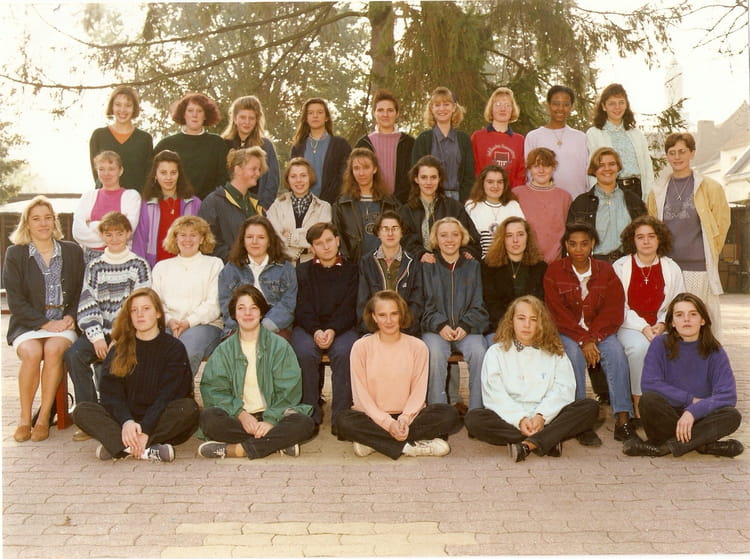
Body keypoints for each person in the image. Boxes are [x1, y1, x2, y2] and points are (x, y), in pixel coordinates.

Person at [464, 296, 599, 461]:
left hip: (548, 417)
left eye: (533, 320)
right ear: (511, 321)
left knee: (589, 407)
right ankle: (548, 439)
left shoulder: (555, 351)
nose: (526, 325)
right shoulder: (496, 352)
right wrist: (520, 419)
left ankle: (528, 444)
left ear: (541, 323)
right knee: (474, 419)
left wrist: (541, 416)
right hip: (510, 419)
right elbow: (495, 394)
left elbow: (564, 389)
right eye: (521, 318)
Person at [71, 288, 199, 462]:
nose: (140, 314)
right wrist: (127, 422)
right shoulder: (119, 348)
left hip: (160, 418)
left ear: (158, 313)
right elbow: (111, 394)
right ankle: (147, 450)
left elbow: (169, 395)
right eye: (134, 310)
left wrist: (145, 429)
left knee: (189, 409)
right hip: (125, 419)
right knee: (82, 410)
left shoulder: (174, 348)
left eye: (146, 308)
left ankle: (120, 446)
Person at [333, 291, 462, 459]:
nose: (389, 320)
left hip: (409, 417)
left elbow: (418, 392)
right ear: (374, 317)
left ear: (401, 315)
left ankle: (374, 442)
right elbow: (361, 397)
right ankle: (410, 447)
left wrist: (404, 419)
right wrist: (388, 423)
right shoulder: (361, 347)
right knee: (342, 421)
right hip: (372, 417)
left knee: (449, 414)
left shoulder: (418, 347)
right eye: (382, 315)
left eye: (394, 314)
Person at [543, 222, 636, 446]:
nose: (578, 249)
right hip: (568, 332)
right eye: (573, 244)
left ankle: (623, 419)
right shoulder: (554, 271)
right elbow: (557, 313)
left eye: (584, 244)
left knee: (616, 354)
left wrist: (593, 337)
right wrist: (583, 339)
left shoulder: (605, 270)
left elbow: (613, 309)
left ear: (592, 244)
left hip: (599, 332)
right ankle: (580, 422)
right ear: (566, 245)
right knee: (573, 356)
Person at [198, 285, 316, 459]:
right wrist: (241, 414)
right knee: (209, 418)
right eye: (241, 308)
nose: (247, 313)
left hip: (275, 416)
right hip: (238, 418)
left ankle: (237, 449)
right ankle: (276, 443)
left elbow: (289, 392)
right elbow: (213, 390)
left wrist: (270, 420)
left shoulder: (279, 346)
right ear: (234, 314)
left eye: (253, 308)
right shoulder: (224, 350)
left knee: (304, 423)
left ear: (261, 313)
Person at [3, 196, 84, 443]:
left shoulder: (72, 251)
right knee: (31, 353)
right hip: (28, 324)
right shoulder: (15, 253)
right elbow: (15, 301)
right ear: (27, 223)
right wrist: (45, 324)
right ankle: (24, 419)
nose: (43, 223)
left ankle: (44, 417)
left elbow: (82, 290)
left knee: (53, 349)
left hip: (65, 322)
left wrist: (70, 316)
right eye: (36, 219)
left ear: (54, 221)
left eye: (48, 218)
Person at [64, 212, 151, 440]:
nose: (114, 239)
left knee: (119, 362)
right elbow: (87, 303)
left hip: (129, 333)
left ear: (128, 234)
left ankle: (119, 414)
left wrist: (120, 337)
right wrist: (96, 337)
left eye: (119, 233)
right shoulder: (95, 266)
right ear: (102, 236)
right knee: (74, 355)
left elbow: (140, 306)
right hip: (99, 332)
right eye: (109, 234)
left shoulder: (139, 265)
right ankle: (90, 415)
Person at [624, 293, 743, 458]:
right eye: (679, 315)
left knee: (732, 415)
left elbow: (727, 395)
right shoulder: (660, 344)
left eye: (693, 314)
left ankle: (664, 448)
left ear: (703, 320)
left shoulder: (714, 351)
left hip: (700, 416)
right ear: (672, 322)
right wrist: (690, 400)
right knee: (648, 400)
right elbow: (650, 383)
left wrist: (693, 411)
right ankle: (703, 444)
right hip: (667, 415)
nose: (686, 319)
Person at [647, 132, 730, 334]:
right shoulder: (657, 190)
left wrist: (707, 255)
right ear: (666, 156)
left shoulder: (710, 187)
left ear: (692, 153)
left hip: (697, 268)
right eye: (672, 152)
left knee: (697, 322)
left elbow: (721, 225)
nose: (677, 157)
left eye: (682, 151)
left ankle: (705, 356)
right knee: (670, 322)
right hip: (668, 266)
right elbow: (652, 227)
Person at [613, 215, 685, 420]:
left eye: (651, 236)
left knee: (674, 348)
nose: (646, 241)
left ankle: (671, 404)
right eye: (640, 237)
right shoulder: (621, 267)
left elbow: (678, 303)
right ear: (632, 240)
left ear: (659, 239)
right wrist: (643, 327)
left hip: (662, 325)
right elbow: (617, 306)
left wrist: (662, 324)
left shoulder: (671, 267)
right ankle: (639, 403)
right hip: (628, 325)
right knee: (639, 348)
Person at [291, 222, 359, 429]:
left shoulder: (352, 270)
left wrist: (332, 329)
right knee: (304, 352)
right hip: (309, 327)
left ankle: (341, 417)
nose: (326, 246)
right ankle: (309, 414)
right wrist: (316, 330)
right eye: (319, 243)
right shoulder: (302, 271)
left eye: (329, 240)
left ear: (337, 241)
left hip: (342, 327)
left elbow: (350, 306)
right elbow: (302, 306)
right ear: (312, 248)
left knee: (345, 351)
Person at [421, 217, 489, 412]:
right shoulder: (427, 266)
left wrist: (466, 325)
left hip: (466, 329)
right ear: (436, 239)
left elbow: (479, 304)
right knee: (434, 353)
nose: (449, 240)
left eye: (455, 235)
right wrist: (439, 325)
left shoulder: (472, 266)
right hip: (436, 330)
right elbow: (424, 304)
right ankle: (438, 412)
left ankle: (476, 412)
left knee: (479, 351)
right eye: (443, 235)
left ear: (462, 238)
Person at [151, 216, 223, 376]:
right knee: (153, 351)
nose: (187, 240)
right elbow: (156, 304)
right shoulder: (161, 267)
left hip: (204, 325)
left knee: (185, 352)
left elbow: (214, 304)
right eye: (182, 235)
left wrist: (188, 323)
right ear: (175, 238)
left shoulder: (214, 264)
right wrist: (170, 321)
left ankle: (180, 392)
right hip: (168, 325)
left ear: (202, 238)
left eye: (193, 235)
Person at [218, 216, 297, 338]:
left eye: (261, 237)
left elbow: (288, 305)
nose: (254, 242)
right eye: (249, 237)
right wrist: (246, 327)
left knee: (275, 346)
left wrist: (263, 328)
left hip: (275, 326)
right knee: (237, 347)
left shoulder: (285, 268)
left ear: (269, 241)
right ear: (243, 241)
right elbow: (226, 307)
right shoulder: (230, 270)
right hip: (238, 327)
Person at [567, 147, 647, 263]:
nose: (607, 169)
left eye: (612, 164)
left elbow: (645, 233)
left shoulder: (633, 200)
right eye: (601, 165)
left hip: (628, 262)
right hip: (595, 264)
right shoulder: (581, 203)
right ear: (594, 170)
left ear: (618, 167)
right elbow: (571, 239)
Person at [399, 155, 481, 263]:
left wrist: (466, 252)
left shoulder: (454, 207)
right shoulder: (406, 211)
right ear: (416, 179)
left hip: (451, 266)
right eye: (424, 177)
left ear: (439, 179)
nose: (429, 182)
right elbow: (404, 240)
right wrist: (421, 254)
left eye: (433, 177)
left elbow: (473, 240)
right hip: (418, 266)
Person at [356, 210, 423, 336]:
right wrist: (375, 329)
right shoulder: (366, 262)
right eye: (385, 229)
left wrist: (401, 327)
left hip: (405, 330)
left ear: (402, 232)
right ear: (378, 233)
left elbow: (417, 302)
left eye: (395, 228)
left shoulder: (413, 263)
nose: (390, 233)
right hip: (373, 330)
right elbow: (362, 303)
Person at [482, 216, 546, 344]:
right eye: (509, 235)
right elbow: (490, 303)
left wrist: (526, 327)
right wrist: (511, 327)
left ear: (528, 237)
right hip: (499, 327)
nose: (515, 240)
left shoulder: (540, 267)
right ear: (502, 239)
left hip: (531, 328)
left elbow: (540, 303)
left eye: (520, 234)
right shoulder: (488, 267)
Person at [132, 150, 202, 268]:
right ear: (155, 175)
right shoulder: (147, 205)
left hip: (187, 266)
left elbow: (202, 238)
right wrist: (142, 270)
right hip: (155, 266)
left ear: (179, 174)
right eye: (163, 173)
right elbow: (140, 241)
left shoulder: (193, 203)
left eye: (173, 172)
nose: (168, 178)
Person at [154, 92, 228, 199]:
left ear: (205, 115)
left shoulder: (217, 144)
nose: (195, 115)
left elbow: (223, 179)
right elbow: (153, 178)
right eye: (190, 110)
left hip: (209, 205)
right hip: (174, 204)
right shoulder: (166, 144)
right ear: (183, 114)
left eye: (199, 111)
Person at [586, 83, 654, 200]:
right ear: (604, 106)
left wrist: (648, 195)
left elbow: (647, 168)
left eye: (621, 102)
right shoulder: (594, 134)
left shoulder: (637, 135)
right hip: (608, 191)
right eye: (612, 103)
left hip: (636, 191)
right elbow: (592, 169)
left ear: (626, 105)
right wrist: (597, 197)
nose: (617, 107)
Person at [333, 148, 400, 265]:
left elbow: (401, 235)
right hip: (354, 267)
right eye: (356, 168)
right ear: (351, 171)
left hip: (386, 266)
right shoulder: (342, 205)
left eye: (366, 167)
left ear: (374, 169)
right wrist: (348, 266)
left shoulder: (390, 203)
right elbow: (339, 240)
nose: (361, 173)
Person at [199, 147, 267, 261]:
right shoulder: (213, 202)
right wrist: (238, 259)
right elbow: (208, 242)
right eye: (254, 169)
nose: (258, 173)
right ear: (238, 170)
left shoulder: (256, 204)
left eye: (259, 169)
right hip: (227, 269)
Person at [73, 150, 141, 263]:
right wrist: (115, 233)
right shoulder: (88, 196)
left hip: (121, 258)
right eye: (101, 169)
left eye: (111, 169)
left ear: (120, 171)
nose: (106, 174)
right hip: (91, 259)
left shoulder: (131, 196)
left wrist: (92, 225)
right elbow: (78, 233)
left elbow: (129, 231)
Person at [411, 87, 474, 201]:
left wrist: (462, 201)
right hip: (429, 198)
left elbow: (469, 176)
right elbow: (416, 173)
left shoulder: (464, 139)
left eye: (446, 104)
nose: (442, 109)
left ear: (453, 107)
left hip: (458, 200)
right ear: (432, 108)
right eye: (437, 105)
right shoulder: (423, 139)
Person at [524, 85, 588, 198]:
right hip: (543, 200)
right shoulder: (534, 137)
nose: (560, 108)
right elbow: (529, 173)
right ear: (548, 104)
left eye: (566, 104)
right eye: (556, 103)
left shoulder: (581, 138)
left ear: (571, 107)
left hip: (577, 200)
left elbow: (587, 171)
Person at [266, 158, 332, 265]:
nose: (298, 180)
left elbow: (321, 239)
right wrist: (306, 246)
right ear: (288, 179)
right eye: (293, 176)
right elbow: (273, 238)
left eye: (303, 175)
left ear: (310, 177)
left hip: (313, 267)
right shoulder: (277, 205)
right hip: (283, 266)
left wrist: (290, 238)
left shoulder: (324, 207)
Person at [354, 89, 415, 204]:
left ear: (397, 113)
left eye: (390, 110)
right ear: (374, 113)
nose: (385, 115)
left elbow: (413, 175)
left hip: (403, 204)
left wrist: (398, 201)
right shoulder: (364, 144)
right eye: (380, 110)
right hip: (371, 203)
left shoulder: (409, 143)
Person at [89, 86, 153, 191]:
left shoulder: (144, 139)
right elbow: (96, 174)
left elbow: (148, 176)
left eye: (128, 105)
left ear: (134, 108)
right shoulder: (99, 136)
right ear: (112, 106)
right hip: (106, 198)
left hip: (136, 198)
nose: (122, 110)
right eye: (118, 105)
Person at [221, 95, 280, 210]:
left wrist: (263, 207)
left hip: (256, 206)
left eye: (251, 118)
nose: (247, 122)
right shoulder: (223, 144)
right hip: (227, 205)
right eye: (242, 117)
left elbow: (272, 181)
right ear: (235, 119)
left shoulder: (266, 145)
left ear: (257, 120)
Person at [514, 147, 572, 263]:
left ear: (553, 167)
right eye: (536, 166)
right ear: (529, 168)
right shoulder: (517, 194)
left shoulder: (565, 197)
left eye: (546, 165)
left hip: (555, 263)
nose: (541, 170)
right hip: (525, 262)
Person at [290, 97, 351, 204]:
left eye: (320, 112)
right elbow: (292, 176)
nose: (315, 116)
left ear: (326, 117)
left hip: (332, 203)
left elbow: (346, 176)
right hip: (303, 204)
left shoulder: (340, 145)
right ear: (306, 118)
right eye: (310, 113)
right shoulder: (298, 147)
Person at [464, 164, 525, 257]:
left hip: (509, 260)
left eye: (500, 182)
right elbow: (468, 239)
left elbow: (522, 235)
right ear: (482, 183)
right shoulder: (472, 206)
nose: (495, 186)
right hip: (481, 260)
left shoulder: (513, 205)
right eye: (490, 182)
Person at [471, 87, 526, 188]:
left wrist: (510, 192)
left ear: (512, 110)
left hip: (511, 194)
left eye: (507, 105)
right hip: (483, 193)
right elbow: (473, 169)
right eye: (498, 105)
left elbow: (521, 174)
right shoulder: (478, 137)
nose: (503, 109)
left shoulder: (520, 140)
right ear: (491, 109)